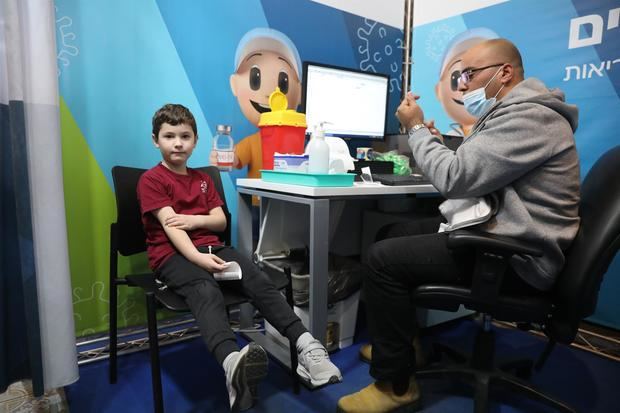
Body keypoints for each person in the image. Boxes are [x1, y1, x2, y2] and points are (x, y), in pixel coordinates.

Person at [337, 38, 580, 413]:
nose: (462, 84)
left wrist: (416, 129)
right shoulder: (511, 114)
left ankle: (396, 385)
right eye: (459, 75)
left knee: (382, 258)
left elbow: (455, 178)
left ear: (504, 73)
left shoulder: (531, 117)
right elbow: (475, 170)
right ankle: (403, 347)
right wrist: (433, 140)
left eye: (469, 74)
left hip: (516, 257)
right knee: (391, 234)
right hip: (502, 232)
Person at [138, 104, 342, 412]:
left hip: (211, 248)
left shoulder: (203, 179)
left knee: (257, 277)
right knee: (204, 288)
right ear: (156, 140)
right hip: (171, 256)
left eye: (185, 136)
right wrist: (197, 256)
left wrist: (194, 222)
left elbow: (219, 221)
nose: (177, 143)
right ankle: (233, 365)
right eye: (169, 136)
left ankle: (308, 347)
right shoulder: (151, 180)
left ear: (195, 141)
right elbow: (170, 225)